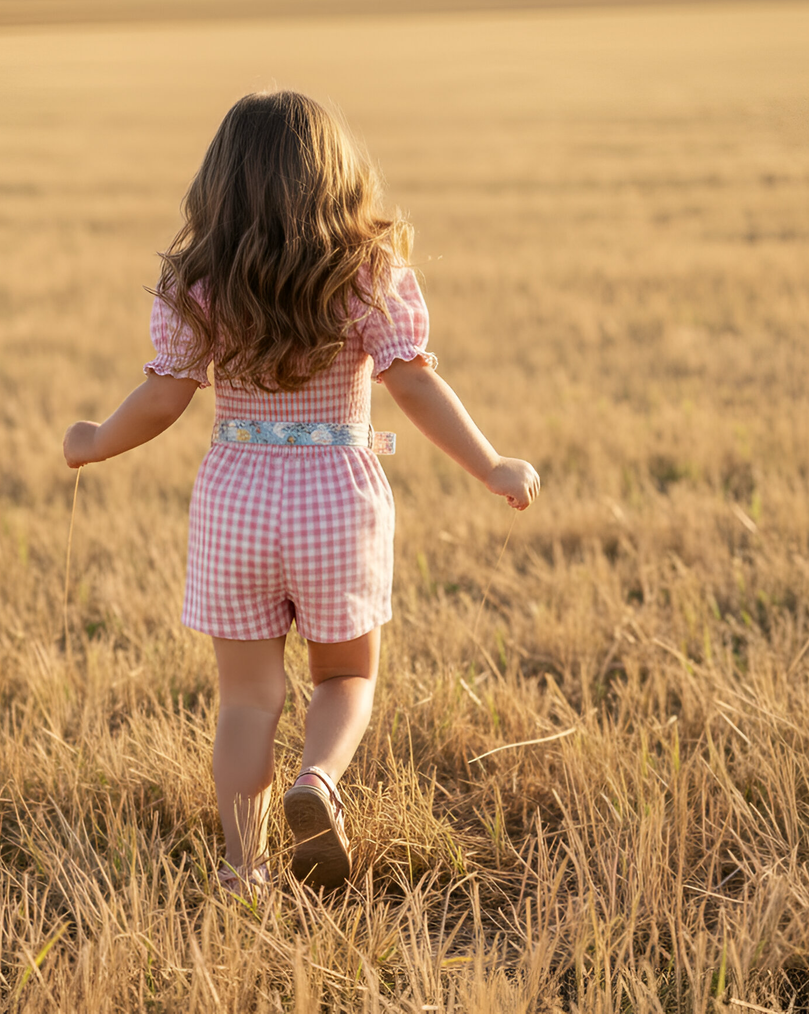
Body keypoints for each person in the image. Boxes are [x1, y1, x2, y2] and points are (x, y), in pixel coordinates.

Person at [63, 90, 539, 896]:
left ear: (220, 187)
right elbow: (414, 385)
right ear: (338, 181)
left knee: (247, 699)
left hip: (236, 504)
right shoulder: (366, 275)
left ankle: (243, 865)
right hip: (336, 502)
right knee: (345, 678)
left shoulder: (201, 284)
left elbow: (163, 397)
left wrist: (95, 440)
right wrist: (491, 464)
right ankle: (317, 781)